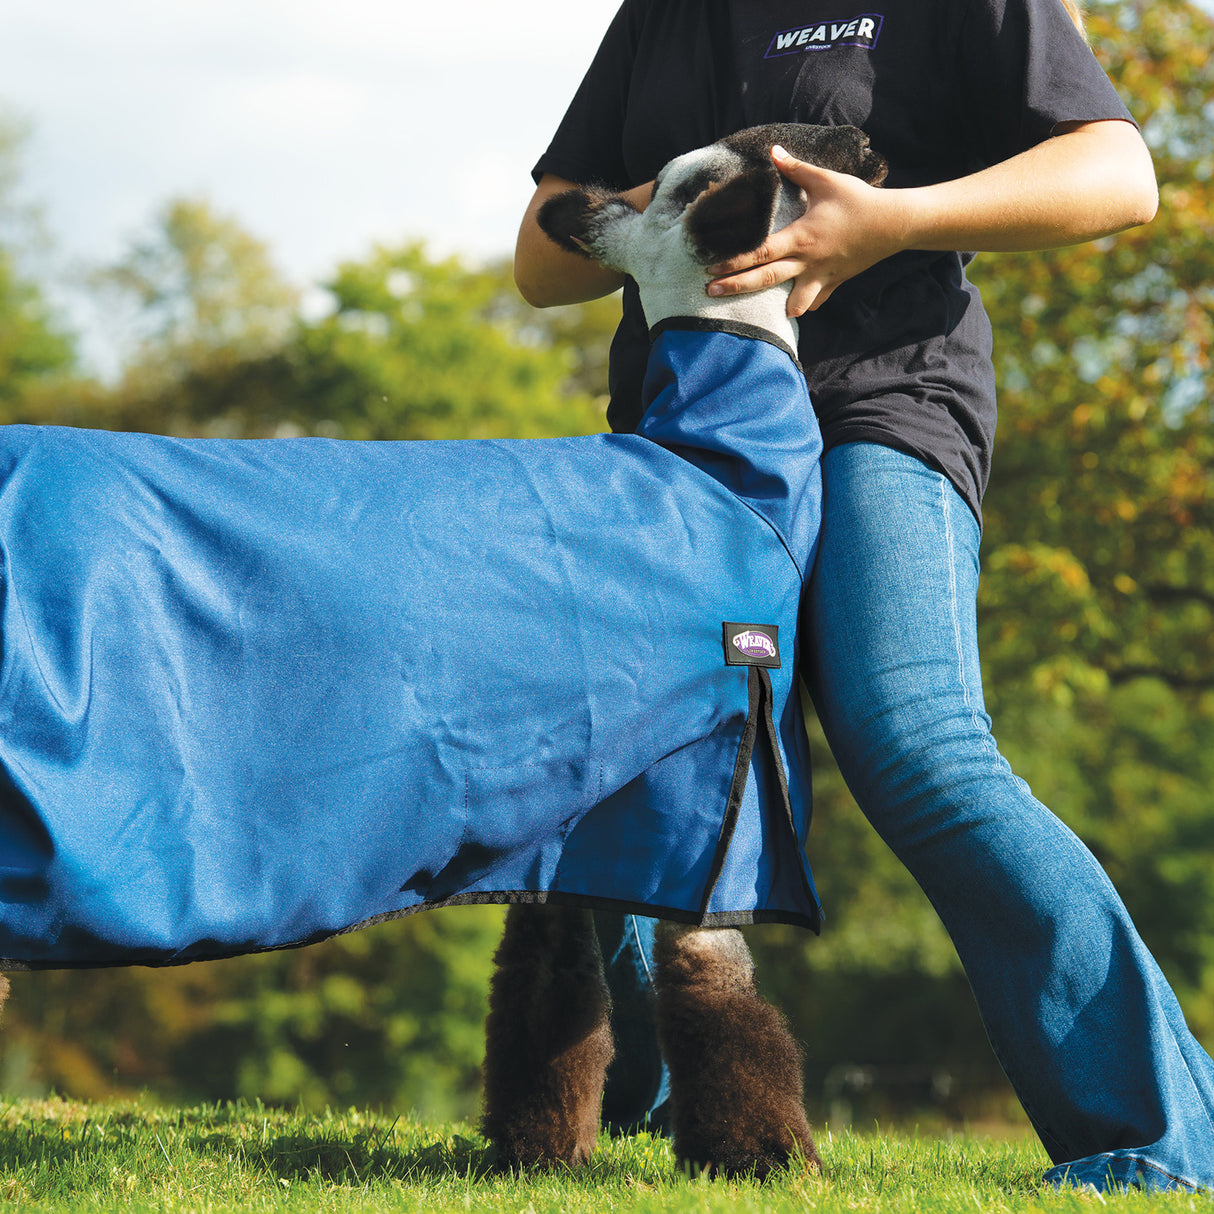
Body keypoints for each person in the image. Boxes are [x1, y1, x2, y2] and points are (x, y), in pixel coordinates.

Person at [512, 0, 1214, 1193]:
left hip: (878, 405)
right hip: (686, 437)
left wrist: (889, 223)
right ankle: (627, 1112)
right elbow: (538, 260)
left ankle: (1160, 1132)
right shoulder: (665, 16)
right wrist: (647, 220)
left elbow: (1117, 175)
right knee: (635, 751)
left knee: (915, 742)